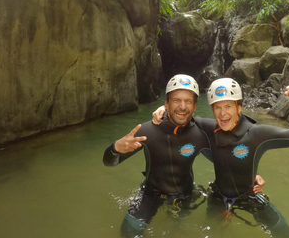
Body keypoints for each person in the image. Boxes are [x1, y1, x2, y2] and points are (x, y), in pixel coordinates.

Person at [103, 74, 265, 237]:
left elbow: (236, 141)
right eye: (176, 100)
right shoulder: (146, 131)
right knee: (127, 233)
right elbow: (108, 162)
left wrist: (249, 172)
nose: (182, 106)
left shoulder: (203, 131)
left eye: (188, 101)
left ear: (195, 106)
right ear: (166, 103)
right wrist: (115, 148)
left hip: (188, 193)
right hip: (151, 194)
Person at [152, 78, 289, 237]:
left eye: (228, 106)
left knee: (286, 234)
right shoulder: (208, 129)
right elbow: (182, 116)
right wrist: (164, 110)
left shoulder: (256, 134)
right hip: (217, 198)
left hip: (250, 198)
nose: (223, 114)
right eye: (217, 107)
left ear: (239, 107)